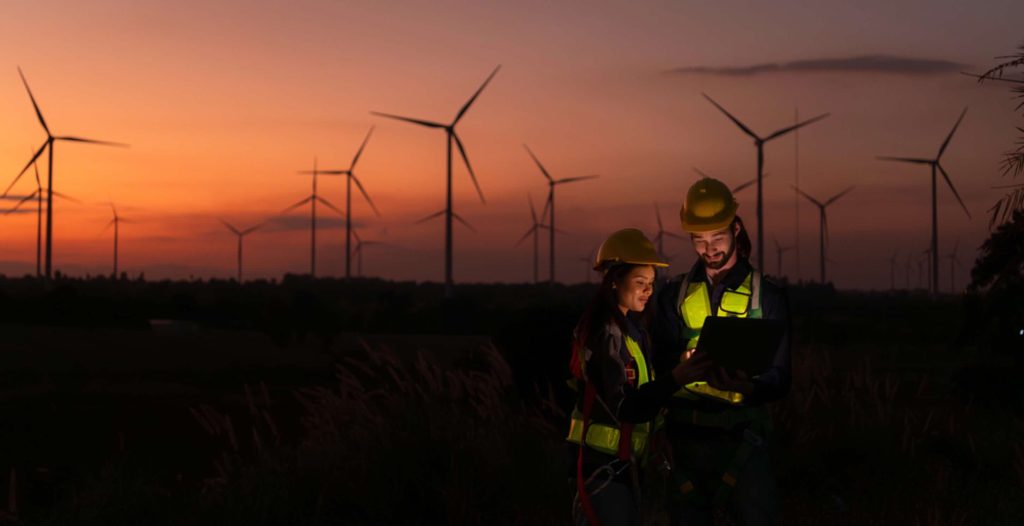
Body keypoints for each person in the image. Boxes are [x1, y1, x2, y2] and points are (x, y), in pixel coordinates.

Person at [651, 177, 791, 526]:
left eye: (717, 238)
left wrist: (750, 386)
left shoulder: (768, 296)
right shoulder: (673, 295)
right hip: (685, 444)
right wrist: (680, 368)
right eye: (699, 240)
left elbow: (781, 377)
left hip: (744, 441)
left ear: (736, 228)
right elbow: (658, 370)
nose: (708, 248)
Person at [567, 228, 713, 526]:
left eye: (651, 283)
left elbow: (645, 393)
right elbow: (626, 406)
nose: (648, 290)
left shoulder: (635, 336)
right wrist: (677, 378)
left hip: (629, 466)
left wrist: (659, 433)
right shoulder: (601, 336)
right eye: (639, 282)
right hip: (602, 468)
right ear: (613, 281)